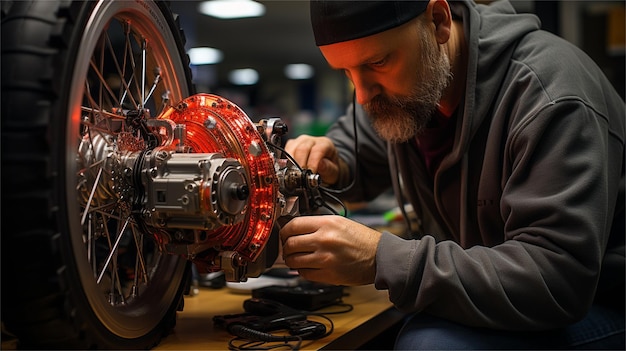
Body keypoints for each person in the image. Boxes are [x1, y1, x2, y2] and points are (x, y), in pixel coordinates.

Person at [279, 0, 625, 349]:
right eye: (346, 72)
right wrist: (331, 160)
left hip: (600, 303)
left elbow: (556, 282)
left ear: (439, 21)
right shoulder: (411, 86)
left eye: (377, 62)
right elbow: (361, 151)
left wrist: (380, 258)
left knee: (431, 345)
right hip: (495, 295)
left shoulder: (550, 96)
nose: (364, 95)